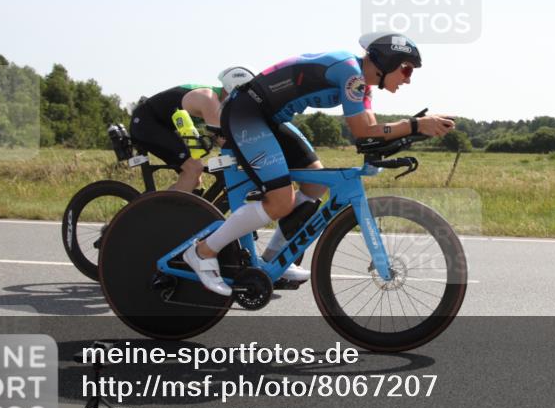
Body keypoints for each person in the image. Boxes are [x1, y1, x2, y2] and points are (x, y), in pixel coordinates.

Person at [182, 33, 455, 296]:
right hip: (247, 113)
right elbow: (362, 128)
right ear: (386, 61)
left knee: (314, 184)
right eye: (406, 71)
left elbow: (371, 129)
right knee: (280, 201)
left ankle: (274, 258)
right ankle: (202, 252)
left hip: (269, 118)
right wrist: (417, 125)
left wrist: (413, 130)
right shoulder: (351, 73)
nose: (408, 80)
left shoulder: (362, 85)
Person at [129, 66, 254, 193]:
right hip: (146, 122)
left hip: (159, 124)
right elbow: (223, 139)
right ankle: (163, 212)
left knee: (193, 180)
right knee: (193, 169)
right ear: (233, 90)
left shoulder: (216, 101)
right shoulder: (209, 99)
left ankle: (160, 206)